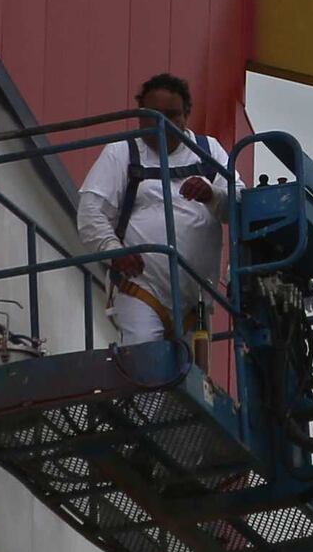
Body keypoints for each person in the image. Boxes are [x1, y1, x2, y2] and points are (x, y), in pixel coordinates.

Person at [72, 72, 232, 348]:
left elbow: (238, 206)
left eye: (171, 115)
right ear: (139, 115)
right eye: (153, 115)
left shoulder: (209, 151)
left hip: (196, 301)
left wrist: (212, 195)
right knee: (145, 365)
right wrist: (115, 250)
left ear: (186, 115)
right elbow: (90, 213)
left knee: (189, 383)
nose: (162, 124)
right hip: (141, 287)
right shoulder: (122, 152)